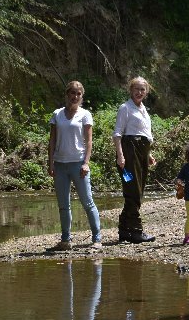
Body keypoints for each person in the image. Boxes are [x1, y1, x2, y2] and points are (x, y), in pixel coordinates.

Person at [47, 80, 102, 250]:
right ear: (67, 94)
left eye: (78, 94)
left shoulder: (85, 114)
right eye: (72, 93)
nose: (75, 96)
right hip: (60, 165)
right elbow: (52, 140)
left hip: (78, 164)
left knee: (87, 202)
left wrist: (86, 163)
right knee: (63, 205)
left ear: (81, 96)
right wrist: (50, 163)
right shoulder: (57, 114)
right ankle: (66, 240)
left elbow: (89, 141)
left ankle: (97, 239)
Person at [112, 76, 156, 244]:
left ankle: (124, 229)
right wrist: (121, 156)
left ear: (146, 92)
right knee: (133, 189)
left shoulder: (144, 110)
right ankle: (136, 231)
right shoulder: (125, 108)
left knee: (136, 190)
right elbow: (117, 134)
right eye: (136, 89)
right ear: (130, 90)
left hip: (142, 153)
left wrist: (148, 155)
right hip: (129, 153)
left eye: (142, 89)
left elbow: (145, 134)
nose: (139, 92)